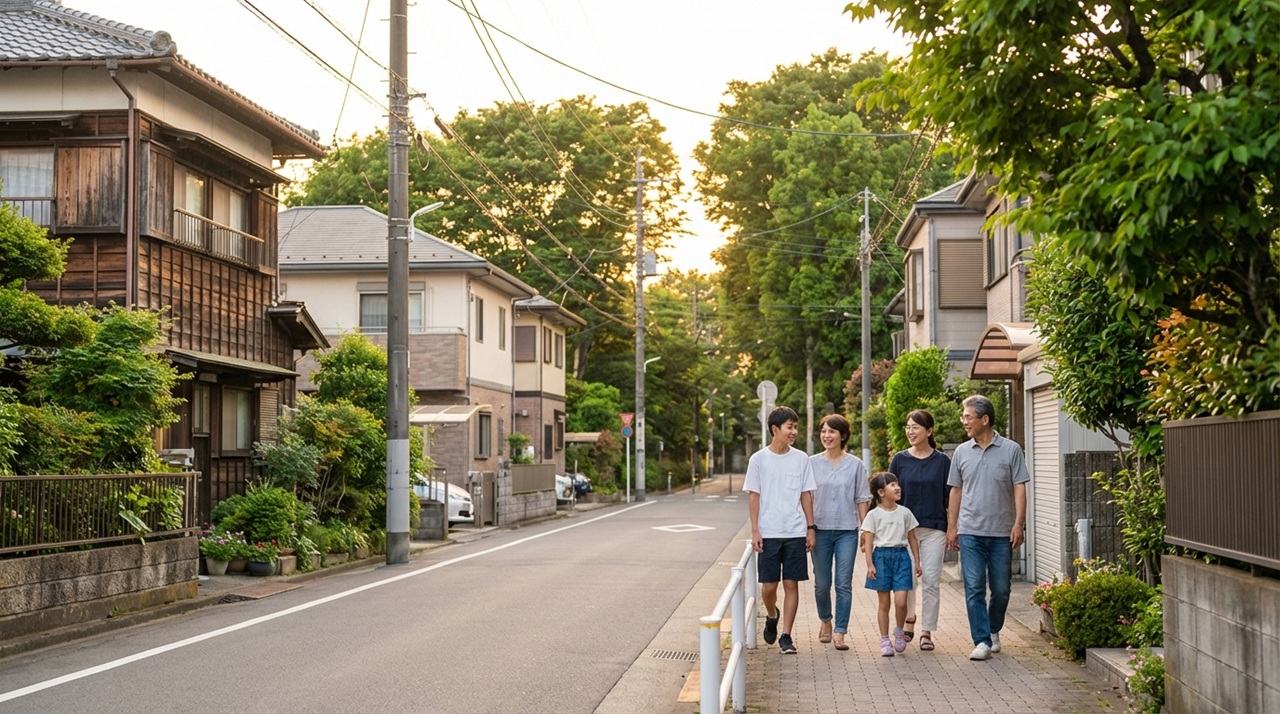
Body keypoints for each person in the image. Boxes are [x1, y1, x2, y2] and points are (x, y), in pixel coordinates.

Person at [947, 394, 1031, 661]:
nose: (964, 421)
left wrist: (1019, 524)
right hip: (970, 530)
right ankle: (981, 640)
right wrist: (952, 526)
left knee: (1001, 588)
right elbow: (956, 490)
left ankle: (994, 628)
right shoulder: (961, 452)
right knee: (973, 586)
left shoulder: (1011, 450)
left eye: (968, 417)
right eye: (963, 417)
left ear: (985, 419)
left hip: (1001, 532)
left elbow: (1019, 487)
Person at [744, 406, 817, 655]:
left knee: (791, 584)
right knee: (768, 587)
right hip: (769, 532)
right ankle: (772, 615)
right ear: (775, 429)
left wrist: (810, 527)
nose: (794, 431)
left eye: (796, 426)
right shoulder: (759, 460)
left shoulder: (801, 458)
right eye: (790, 427)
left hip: (795, 531)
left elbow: (806, 494)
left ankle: (786, 635)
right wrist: (755, 530)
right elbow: (754, 496)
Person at [889, 409, 951, 652]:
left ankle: (927, 631)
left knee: (932, 580)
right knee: (908, 581)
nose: (910, 431)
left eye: (915, 427)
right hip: (906, 531)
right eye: (908, 426)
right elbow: (890, 494)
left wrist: (953, 527)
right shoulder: (899, 459)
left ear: (929, 431)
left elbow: (950, 497)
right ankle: (909, 618)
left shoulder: (943, 462)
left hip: (935, 528)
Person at [808, 414, 871, 651]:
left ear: (843, 435)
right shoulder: (811, 463)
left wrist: (865, 530)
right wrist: (809, 527)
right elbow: (806, 497)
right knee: (822, 584)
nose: (827, 436)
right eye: (823, 431)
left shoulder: (855, 465)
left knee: (843, 583)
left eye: (832, 431)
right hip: (820, 530)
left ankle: (840, 631)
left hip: (847, 531)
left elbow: (862, 499)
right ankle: (826, 619)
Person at [860, 471, 922, 657]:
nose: (897, 487)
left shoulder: (905, 513)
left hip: (902, 557)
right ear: (881, 492)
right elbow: (869, 542)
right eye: (892, 485)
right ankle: (885, 639)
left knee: (901, 601)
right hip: (881, 558)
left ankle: (899, 631)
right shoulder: (873, 515)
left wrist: (917, 562)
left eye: (897, 484)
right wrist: (870, 564)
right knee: (884, 603)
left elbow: (912, 539)